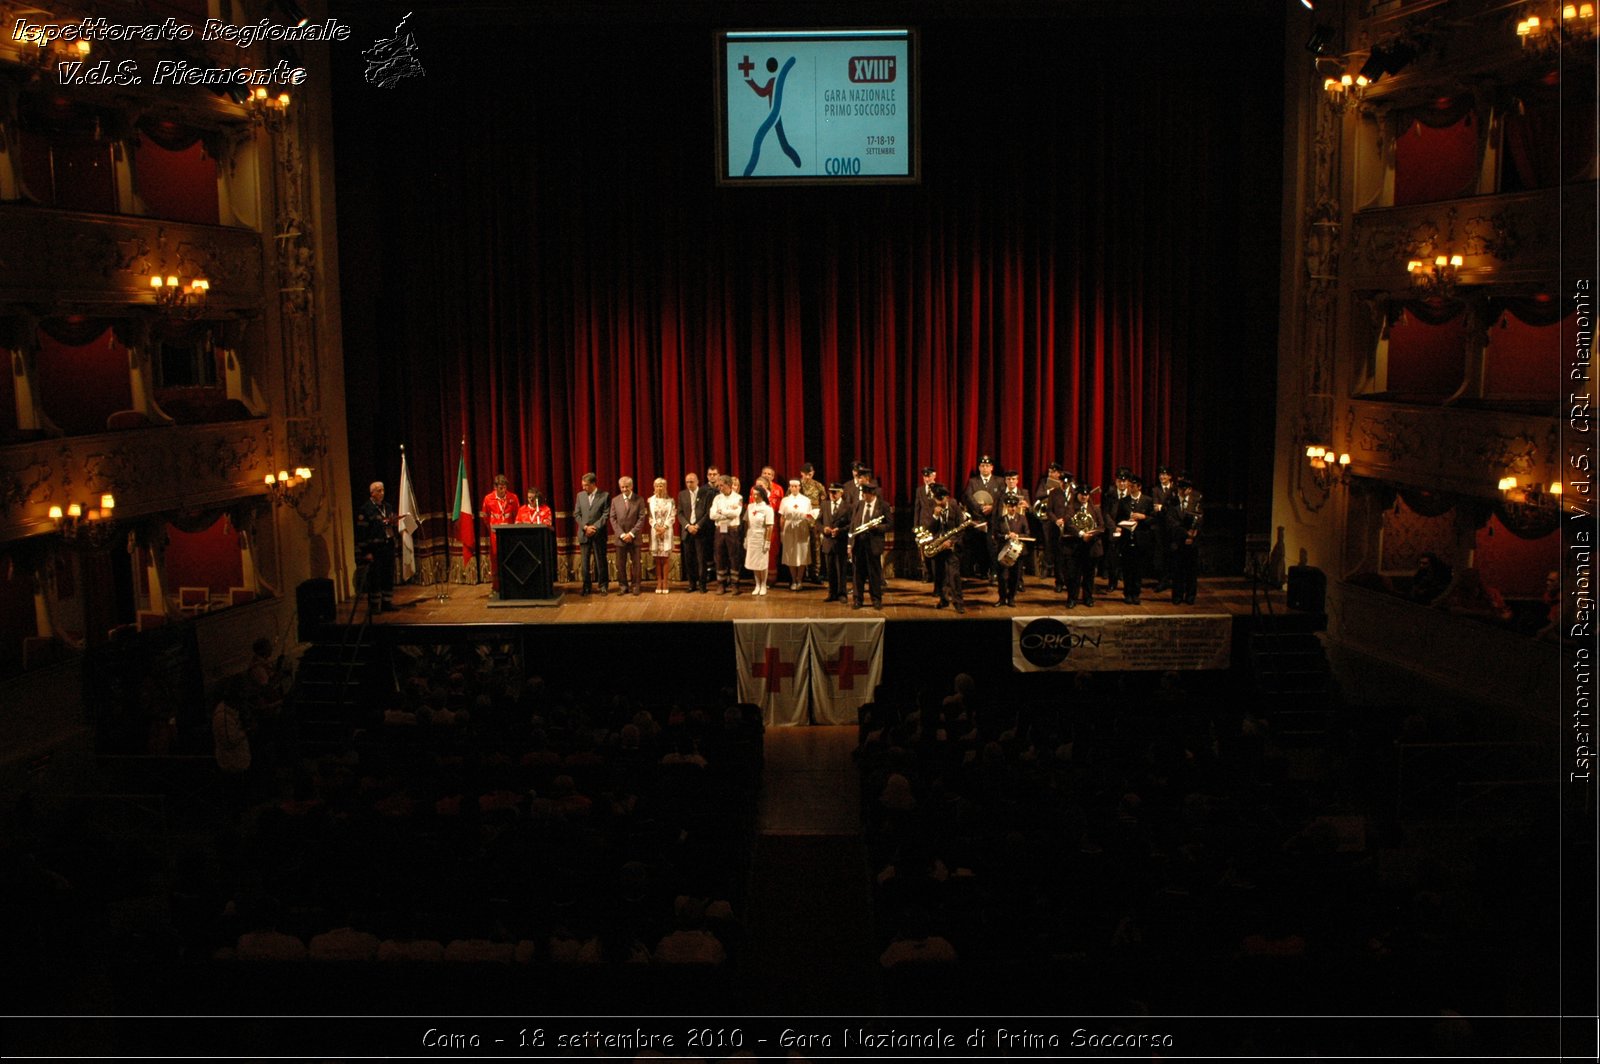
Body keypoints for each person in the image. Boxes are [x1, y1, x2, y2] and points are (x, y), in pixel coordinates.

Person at [927, 484, 969, 613]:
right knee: (939, 576)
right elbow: (930, 529)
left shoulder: (955, 508)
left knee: (954, 576)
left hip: (952, 548)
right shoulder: (933, 507)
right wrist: (935, 516)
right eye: (937, 500)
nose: (939, 503)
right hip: (938, 547)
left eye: (941, 500)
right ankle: (943, 600)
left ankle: (958, 602)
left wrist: (951, 541)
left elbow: (961, 529)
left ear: (946, 498)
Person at [1114, 474, 1155, 604]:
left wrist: (1143, 517)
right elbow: (1118, 519)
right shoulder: (1124, 501)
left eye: (1133, 486)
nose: (1130, 488)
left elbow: (1154, 519)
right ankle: (1127, 593)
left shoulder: (1147, 500)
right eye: (1129, 486)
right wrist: (1124, 523)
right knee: (1127, 568)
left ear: (1139, 487)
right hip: (1127, 539)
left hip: (1140, 539)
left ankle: (1136, 593)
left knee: (1138, 569)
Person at [357, 480, 397, 613]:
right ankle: (374, 605)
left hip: (388, 545)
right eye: (379, 491)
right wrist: (366, 551)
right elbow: (362, 533)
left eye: (383, 490)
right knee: (375, 577)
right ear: (372, 493)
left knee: (388, 575)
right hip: (375, 548)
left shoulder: (388, 507)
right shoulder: (366, 509)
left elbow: (390, 523)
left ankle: (387, 602)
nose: (382, 493)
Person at [1062, 483, 1103, 607]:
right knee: (1073, 575)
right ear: (1077, 495)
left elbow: (1102, 526)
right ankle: (1072, 598)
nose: (1084, 497)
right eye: (1082, 495)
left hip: (1090, 547)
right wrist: (1081, 534)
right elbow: (1068, 523)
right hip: (1075, 547)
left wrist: (1091, 534)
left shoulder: (1095, 509)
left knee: (1089, 575)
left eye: (1086, 495)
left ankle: (1088, 598)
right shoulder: (1070, 508)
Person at [964, 454, 1001, 582]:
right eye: (982, 466)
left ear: (992, 468)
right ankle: (983, 571)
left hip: (994, 520)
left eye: (987, 466)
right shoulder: (973, 482)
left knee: (993, 547)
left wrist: (992, 508)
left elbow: (1002, 498)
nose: (985, 468)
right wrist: (980, 509)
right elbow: (969, 497)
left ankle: (994, 571)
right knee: (980, 547)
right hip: (978, 519)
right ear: (979, 467)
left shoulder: (999, 481)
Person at [480, 474, 520, 592]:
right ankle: (496, 587)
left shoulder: (513, 498)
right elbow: (485, 517)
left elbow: (518, 515)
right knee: (496, 558)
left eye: (505, 487)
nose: (503, 490)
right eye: (501, 488)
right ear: (495, 487)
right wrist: (492, 527)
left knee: (510, 557)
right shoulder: (488, 499)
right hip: (495, 534)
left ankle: (512, 585)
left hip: (510, 533)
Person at [851, 481, 888, 609]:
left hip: (873, 544)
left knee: (874, 574)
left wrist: (877, 527)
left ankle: (876, 599)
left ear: (871, 494)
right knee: (858, 574)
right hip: (859, 543)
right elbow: (853, 524)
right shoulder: (859, 505)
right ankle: (857, 599)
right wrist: (850, 544)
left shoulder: (883, 506)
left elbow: (890, 525)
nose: (862, 496)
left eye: (864, 493)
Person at [573, 473, 610, 596]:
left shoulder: (604, 496)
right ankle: (586, 586)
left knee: (600, 560)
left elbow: (605, 515)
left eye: (586, 485)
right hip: (584, 533)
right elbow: (577, 514)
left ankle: (603, 585)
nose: (584, 488)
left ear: (593, 484)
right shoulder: (580, 496)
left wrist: (594, 527)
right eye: (582, 485)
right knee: (585, 562)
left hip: (598, 534)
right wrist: (585, 527)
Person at [1168, 475, 1203, 605]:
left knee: (1191, 571)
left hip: (1192, 542)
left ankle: (1190, 596)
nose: (1180, 492)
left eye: (1183, 490)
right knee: (1178, 570)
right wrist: (1185, 534)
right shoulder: (1173, 501)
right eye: (1179, 490)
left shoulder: (1197, 499)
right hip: (1178, 541)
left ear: (1189, 490)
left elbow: (1199, 519)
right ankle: (1177, 596)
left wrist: (1192, 535)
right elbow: (1172, 521)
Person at [677, 472, 715, 593]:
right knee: (689, 560)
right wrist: (688, 526)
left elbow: (708, 513)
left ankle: (702, 585)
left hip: (701, 531)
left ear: (698, 482)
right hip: (687, 532)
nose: (689, 484)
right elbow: (680, 513)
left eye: (692, 481)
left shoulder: (706, 493)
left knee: (701, 560)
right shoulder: (682, 494)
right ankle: (691, 584)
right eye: (687, 482)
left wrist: (697, 526)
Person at [610, 476, 648, 595]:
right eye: (622, 487)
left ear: (631, 486)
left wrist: (631, 534)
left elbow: (642, 518)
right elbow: (613, 518)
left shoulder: (639, 500)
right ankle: (623, 586)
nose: (624, 489)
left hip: (634, 537)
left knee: (636, 563)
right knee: (620, 564)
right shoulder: (615, 500)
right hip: (620, 538)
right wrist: (622, 534)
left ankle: (636, 586)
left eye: (627, 487)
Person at [993, 492, 1030, 607]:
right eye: (1010, 506)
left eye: (1014, 506)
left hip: (1017, 552)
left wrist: (1017, 536)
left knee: (1015, 576)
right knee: (1002, 577)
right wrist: (1006, 536)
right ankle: (1002, 598)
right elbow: (996, 535)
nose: (1012, 508)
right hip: (1004, 551)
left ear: (1017, 506)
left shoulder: (1022, 518)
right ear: (1006, 507)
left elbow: (1028, 534)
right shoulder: (1001, 520)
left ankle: (1011, 598)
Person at [709, 476, 744, 594]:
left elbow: (736, 513)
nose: (719, 488)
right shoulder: (717, 498)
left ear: (729, 485)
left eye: (721, 485)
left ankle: (735, 584)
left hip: (732, 530)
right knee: (719, 556)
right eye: (719, 485)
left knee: (734, 556)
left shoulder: (738, 497)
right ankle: (721, 584)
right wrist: (726, 514)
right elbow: (712, 515)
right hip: (720, 529)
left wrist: (722, 512)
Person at [778, 479, 814, 590]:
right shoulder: (785, 500)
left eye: (796, 486)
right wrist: (781, 531)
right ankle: (793, 580)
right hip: (789, 528)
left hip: (802, 527)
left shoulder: (806, 500)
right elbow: (782, 517)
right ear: (789, 487)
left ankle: (800, 579)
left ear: (799, 487)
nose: (794, 488)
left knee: (802, 553)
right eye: (792, 486)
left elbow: (810, 516)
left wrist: (807, 518)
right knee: (791, 553)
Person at [819, 482, 851, 602]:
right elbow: (818, 522)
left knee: (841, 570)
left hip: (840, 542)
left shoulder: (848, 507)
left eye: (834, 492)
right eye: (830, 492)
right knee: (830, 570)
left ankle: (842, 593)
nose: (831, 494)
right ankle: (832, 593)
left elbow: (851, 525)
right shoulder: (825, 505)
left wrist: (840, 530)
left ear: (841, 493)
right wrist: (823, 529)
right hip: (828, 542)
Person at [1150, 465, 1178, 592]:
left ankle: (1173, 579)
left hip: (1173, 527)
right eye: (1161, 474)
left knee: (1173, 553)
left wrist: (1163, 508)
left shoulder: (1175, 489)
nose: (1162, 477)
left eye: (1165, 474)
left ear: (1170, 476)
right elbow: (1156, 508)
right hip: (1160, 527)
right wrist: (1163, 508)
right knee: (1161, 554)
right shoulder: (1155, 490)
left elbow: (1176, 509)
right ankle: (1162, 580)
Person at [797, 462, 825, 584]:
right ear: (801, 473)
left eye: (810, 474)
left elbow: (823, 503)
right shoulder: (796, 485)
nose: (808, 477)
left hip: (814, 520)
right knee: (800, 546)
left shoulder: (818, 486)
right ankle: (801, 573)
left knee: (815, 547)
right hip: (800, 520)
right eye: (805, 474)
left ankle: (815, 573)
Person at [744, 485, 775, 596]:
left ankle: (763, 584)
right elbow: (747, 523)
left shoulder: (768, 509)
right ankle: (757, 584)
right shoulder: (750, 507)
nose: (754, 496)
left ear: (762, 495)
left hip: (761, 537)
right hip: (751, 536)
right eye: (753, 494)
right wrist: (746, 538)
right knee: (754, 563)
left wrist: (767, 541)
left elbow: (769, 526)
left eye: (757, 494)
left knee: (762, 563)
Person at [648, 477, 675, 594]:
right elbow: (649, 517)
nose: (659, 488)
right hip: (655, 531)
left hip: (666, 531)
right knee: (657, 559)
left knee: (665, 558)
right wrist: (656, 527)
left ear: (665, 487)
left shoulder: (670, 501)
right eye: (657, 486)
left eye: (661, 486)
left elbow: (672, 516)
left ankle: (665, 582)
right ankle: (659, 581)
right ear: (654, 487)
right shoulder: (650, 500)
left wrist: (664, 528)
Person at [912, 466, 939, 583]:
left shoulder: (939, 489)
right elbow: (917, 509)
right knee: (924, 551)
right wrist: (916, 527)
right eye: (924, 476)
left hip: (936, 524)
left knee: (935, 550)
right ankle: (927, 574)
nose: (926, 479)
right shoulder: (920, 490)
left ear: (934, 476)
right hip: (924, 525)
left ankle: (936, 574)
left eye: (928, 476)